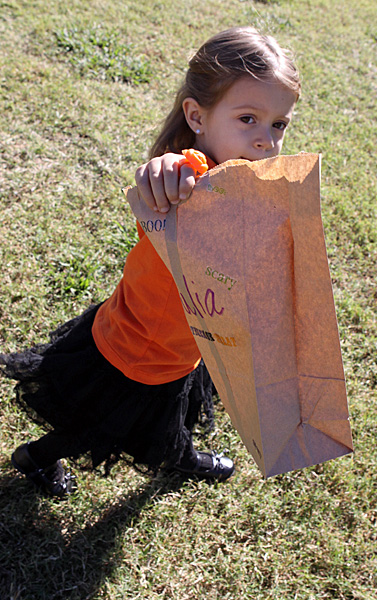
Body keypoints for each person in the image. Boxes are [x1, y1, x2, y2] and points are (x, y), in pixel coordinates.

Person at [0, 26, 301, 498]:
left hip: (190, 344)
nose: (266, 141)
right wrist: (161, 171)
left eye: (279, 124)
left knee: (178, 407)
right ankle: (36, 457)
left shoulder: (246, 184)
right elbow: (160, 176)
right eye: (248, 119)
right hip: (141, 350)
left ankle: (177, 452)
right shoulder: (186, 177)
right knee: (100, 421)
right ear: (197, 116)